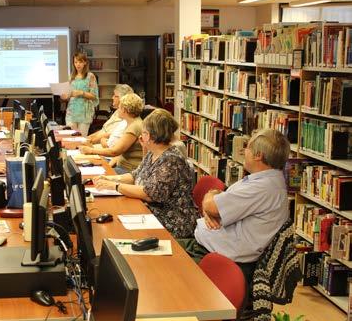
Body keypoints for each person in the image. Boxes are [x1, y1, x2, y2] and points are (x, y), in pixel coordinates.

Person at [178, 128, 290, 283]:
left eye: (248, 148)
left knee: (163, 264)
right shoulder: (266, 182)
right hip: (211, 247)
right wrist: (211, 205)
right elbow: (214, 205)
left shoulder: (260, 188)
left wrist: (210, 203)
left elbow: (212, 206)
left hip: (217, 257)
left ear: (258, 156)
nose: (244, 151)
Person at [93, 109, 199, 238]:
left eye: (143, 132)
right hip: (151, 211)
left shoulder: (171, 159)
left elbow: (149, 194)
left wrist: (115, 186)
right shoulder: (153, 152)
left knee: (118, 228)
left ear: (148, 136)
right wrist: (110, 179)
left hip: (172, 221)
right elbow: (135, 175)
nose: (140, 137)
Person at [79, 93, 143, 174]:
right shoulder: (133, 123)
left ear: (124, 109)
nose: (117, 110)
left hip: (128, 170)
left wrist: (91, 150)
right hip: (122, 166)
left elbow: (114, 151)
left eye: (119, 107)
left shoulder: (134, 127)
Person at [60, 52, 99, 136]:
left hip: (84, 112)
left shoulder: (90, 76)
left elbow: (94, 96)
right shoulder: (71, 76)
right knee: (70, 138)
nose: (78, 64)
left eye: (80, 62)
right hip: (71, 112)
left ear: (85, 62)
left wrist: (81, 93)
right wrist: (65, 96)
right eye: (75, 62)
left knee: (81, 139)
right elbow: (69, 94)